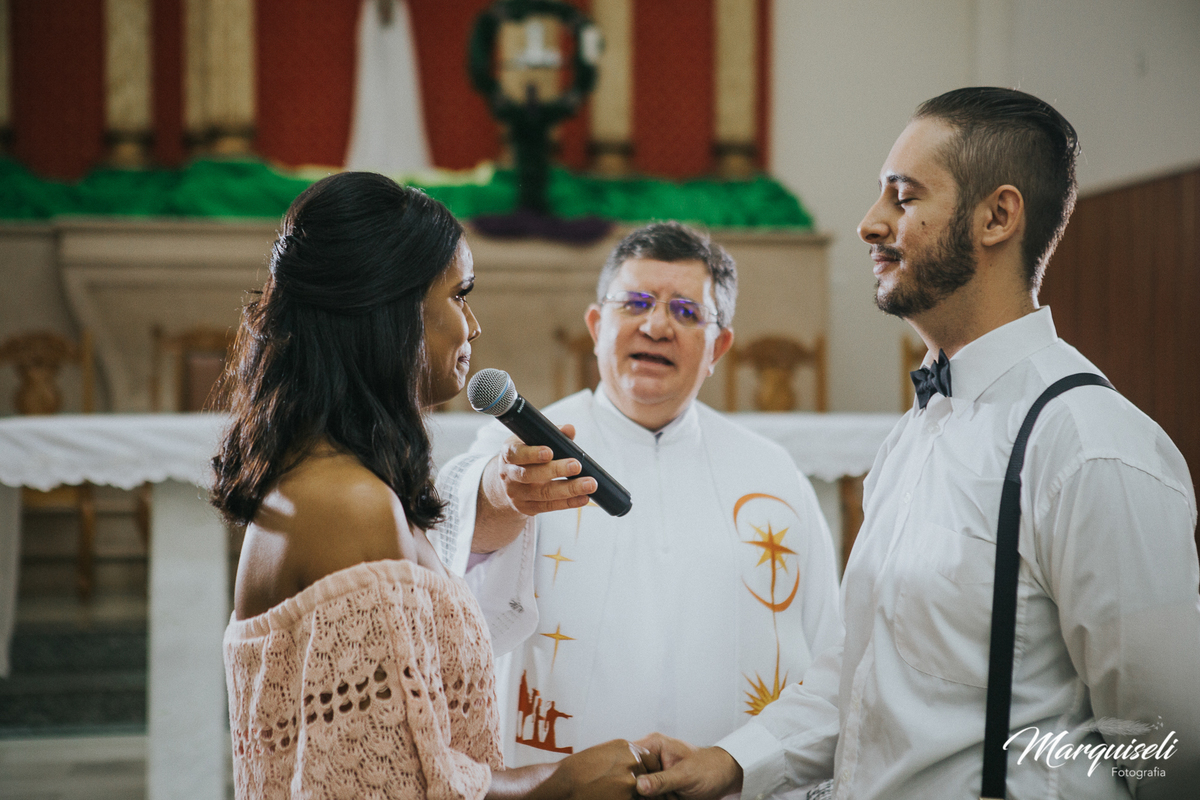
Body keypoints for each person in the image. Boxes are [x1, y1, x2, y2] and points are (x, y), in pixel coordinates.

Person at [635, 88, 1200, 800]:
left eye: (903, 198)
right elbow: (861, 675)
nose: (870, 223)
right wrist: (732, 762)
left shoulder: (1091, 448)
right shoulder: (914, 432)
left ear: (997, 217)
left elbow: (1170, 754)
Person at [212, 172, 658, 799]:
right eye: (459, 295)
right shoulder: (346, 503)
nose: (472, 326)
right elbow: (392, 786)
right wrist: (561, 782)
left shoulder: (331, 478)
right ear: (389, 309)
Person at [432, 222, 843, 766]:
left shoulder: (773, 475)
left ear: (719, 347)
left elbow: (832, 655)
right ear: (596, 325)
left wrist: (741, 765)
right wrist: (498, 498)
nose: (656, 326)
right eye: (635, 304)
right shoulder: (521, 451)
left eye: (687, 312)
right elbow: (454, 550)